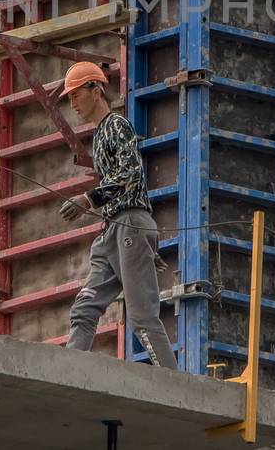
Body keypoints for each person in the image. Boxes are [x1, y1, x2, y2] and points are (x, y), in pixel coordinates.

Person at [58, 61, 177, 367]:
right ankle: (70, 369)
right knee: (85, 308)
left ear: (95, 90)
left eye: (76, 94)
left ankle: (175, 383)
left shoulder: (116, 126)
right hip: (113, 229)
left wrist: (89, 198)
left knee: (141, 316)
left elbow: (132, 174)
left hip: (129, 223)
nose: (72, 102)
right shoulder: (99, 136)